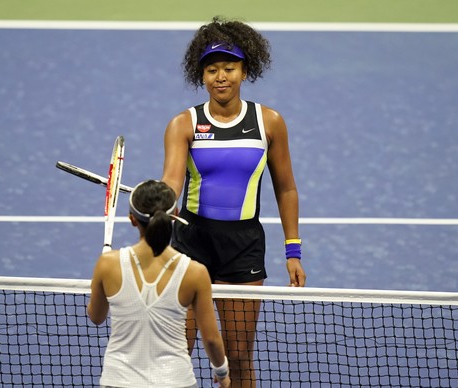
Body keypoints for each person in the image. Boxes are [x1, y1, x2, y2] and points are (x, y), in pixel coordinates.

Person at [161, 16, 307, 387]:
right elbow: (172, 181)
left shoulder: (269, 122)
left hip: (243, 247)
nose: (221, 76)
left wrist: (293, 251)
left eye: (229, 68)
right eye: (212, 70)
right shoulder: (184, 124)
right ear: (202, 75)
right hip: (190, 244)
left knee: (238, 356)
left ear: (245, 71)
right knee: (178, 349)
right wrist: (160, 203)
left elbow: (286, 188)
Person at [87, 179, 231, 388]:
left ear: (132, 220)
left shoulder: (108, 264)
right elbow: (211, 339)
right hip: (175, 382)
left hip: (118, 381)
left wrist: (99, 282)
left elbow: (96, 316)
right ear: (175, 215)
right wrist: (222, 371)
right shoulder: (195, 272)